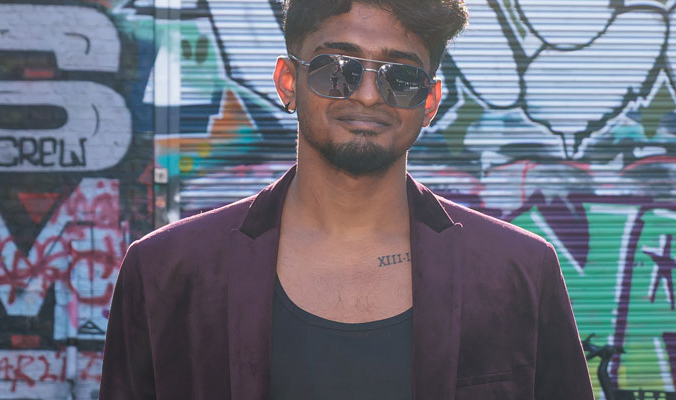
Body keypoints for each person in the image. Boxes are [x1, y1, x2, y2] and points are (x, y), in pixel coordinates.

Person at [99, 0, 594, 398]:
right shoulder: (166, 271)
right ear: (287, 82)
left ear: (430, 102)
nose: (368, 95)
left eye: (401, 77)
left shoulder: (520, 270)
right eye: (337, 69)